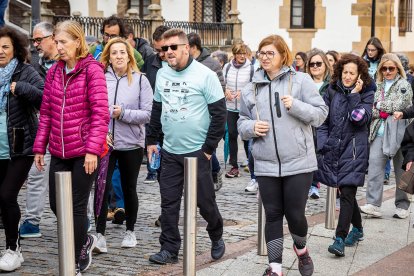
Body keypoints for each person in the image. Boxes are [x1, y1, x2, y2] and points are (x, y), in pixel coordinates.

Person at [238, 34, 328, 276]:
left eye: (270, 53)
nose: (265, 57)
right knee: (274, 214)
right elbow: (242, 122)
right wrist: (250, 128)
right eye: (262, 53)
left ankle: (301, 249)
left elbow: (321, 114)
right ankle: (275, 267)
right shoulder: (251, 88)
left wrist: (296, 105)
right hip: (266, 163)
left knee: (295, 214)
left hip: (299, 162)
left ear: (282, 55)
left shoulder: (301, 81)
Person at [33, 20, 110, 274]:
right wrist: (39, 147)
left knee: (76, 207)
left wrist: (92, 150)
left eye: (63, 42)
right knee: (57, 205)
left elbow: (100, 114)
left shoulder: (93, 70)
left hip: (84, 152)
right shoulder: (55, 71)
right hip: (58, 150)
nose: (59, 47)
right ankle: (86, 239)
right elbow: (46, 113)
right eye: (56, 42)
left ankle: (75, 259)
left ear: (78, 42)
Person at [147, 28, 226, 265]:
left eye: (173, 47)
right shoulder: (162, 74)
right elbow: (157, 109)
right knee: (169, 203)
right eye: (164, 48)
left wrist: (208, 149)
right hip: (170, 151)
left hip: (197, 152)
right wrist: (151, 140)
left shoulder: (205, 75)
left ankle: (216, 234)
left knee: (205, 202)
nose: (168, 52)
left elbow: (219, 114)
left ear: (186, 48)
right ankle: (169, 249)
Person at [93, 37, 152, 253]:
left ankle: (130, 230)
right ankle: (99, 235)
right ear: (108, 56)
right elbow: (92, 109)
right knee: (102, 187)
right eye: (114, 52)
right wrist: (99, 132)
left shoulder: (140, 80)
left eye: (122, 52)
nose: (119, 56)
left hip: (131, 144)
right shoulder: (100, 79)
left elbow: (147, 114)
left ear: (129, 57)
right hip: (104, 144)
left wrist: (123, 113)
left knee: (129, 188)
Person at [314, 54, 375, 257]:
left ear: (359, 76)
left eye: (352, 73)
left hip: (355, 151)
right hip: (334, 148)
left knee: (347, 192)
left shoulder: (367, 92)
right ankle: (357, 229)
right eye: (345, 72)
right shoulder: (331, 91)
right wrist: (323, 142)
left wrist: (355, 94)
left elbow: (358, 118)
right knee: (345, 192)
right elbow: (323, 120)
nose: (347, 76)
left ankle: (339, 238)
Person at [0, 25, 44, 272]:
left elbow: (44, 97)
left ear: (15, 48)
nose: (1, 52)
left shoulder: (25, 72)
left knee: (7, 195)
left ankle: (13, 249)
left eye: (5, 47)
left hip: (20, 146)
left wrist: (23, 89)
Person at [359, 53, 413, 219]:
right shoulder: (377, 85)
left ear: (397, 68)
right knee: (375, 168)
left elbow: (401, 104)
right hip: (379, 133)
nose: (388, 71)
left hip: (400, 133)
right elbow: (371, 108)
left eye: (391, 68)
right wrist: (382, 109)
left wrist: (380, 106)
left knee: (400, 170)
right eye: (384, 68)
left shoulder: (404, 84)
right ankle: (373, 204)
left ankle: (402, 205)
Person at [19, 22, 59, 239]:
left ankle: (85, 218)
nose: (35, 45)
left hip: (67, 129)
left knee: (72, 177)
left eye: (39, 40)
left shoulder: (66, 62)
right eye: (33, 41)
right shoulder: (33, 63)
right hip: (42, 126)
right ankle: (32, 221)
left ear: (53, 37)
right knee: (36, 174)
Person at [187, 32, 225, 191]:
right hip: (189, 115)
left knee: (207, 149)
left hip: (207, 115)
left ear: (193, 47)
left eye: (186, 47)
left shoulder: (212, 64)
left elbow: (220, 89)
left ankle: (212, 173)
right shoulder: (185, 63)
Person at [223, 42, 254, 178]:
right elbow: (222, 83)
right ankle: (234, 166)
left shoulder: (251, 68)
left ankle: (250, 164)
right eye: (239, 53)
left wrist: (244, 93)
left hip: (245, 108)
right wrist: (226, 91)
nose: (242, 56)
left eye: (243, 53)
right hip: (230, 107)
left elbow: (254, 86)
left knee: (246, 136)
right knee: (232, 135)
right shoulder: (227, 67)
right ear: (234, 54)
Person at [305, 49, 333, 200]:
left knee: (320, 155)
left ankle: (323, 186)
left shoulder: (332, 85)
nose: (315, 66)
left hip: (325, 125)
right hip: (307, 124)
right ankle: (312, 185)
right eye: (312, 64)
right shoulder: (303, 83)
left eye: (318, 63)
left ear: (325, 65)